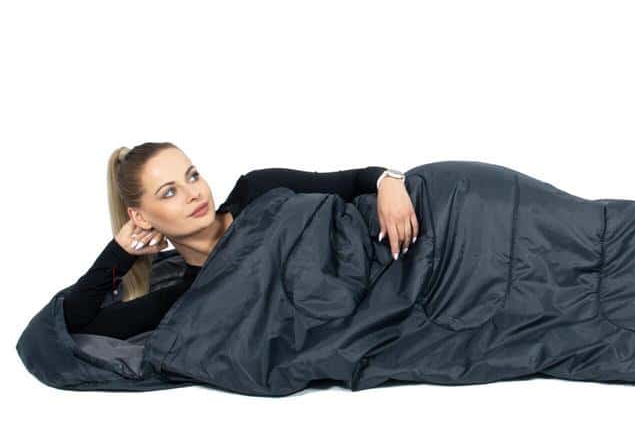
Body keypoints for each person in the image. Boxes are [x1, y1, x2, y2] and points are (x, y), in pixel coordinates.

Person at [63, 141, 419, 340]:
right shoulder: (190, 299)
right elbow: (76, 323)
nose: (194, 193)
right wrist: (119, 254)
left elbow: (354, 180)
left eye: (192, 176)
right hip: (399, 297)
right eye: (170, 192)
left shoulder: (256, 189)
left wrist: (388, 181)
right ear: (140, 217)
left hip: (410, 224)